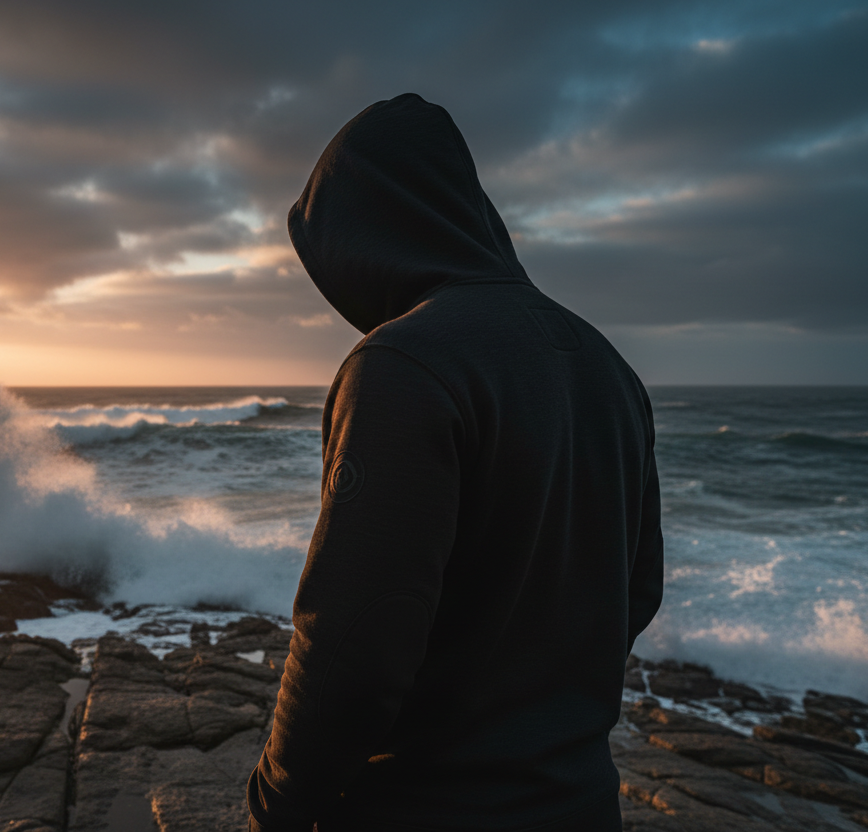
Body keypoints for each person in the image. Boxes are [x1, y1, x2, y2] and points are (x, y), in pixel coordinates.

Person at [246, 93, 663, 832]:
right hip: (579, 805)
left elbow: (354, 637)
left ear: (365, 232)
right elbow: (637, 591)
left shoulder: (403, 364)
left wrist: (274, 802)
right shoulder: (609, 367)